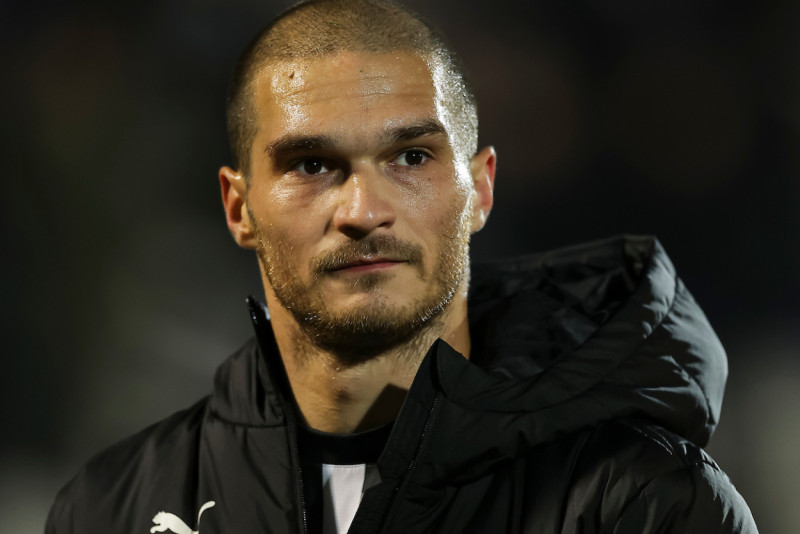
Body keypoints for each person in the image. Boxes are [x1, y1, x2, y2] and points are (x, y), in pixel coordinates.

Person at [46, 1, 758, 532]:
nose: (363, 210)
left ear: (480, 190)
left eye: (411, 157)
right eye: (312, 164)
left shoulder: (640, 503)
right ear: (239, 208)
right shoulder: (113, 508)